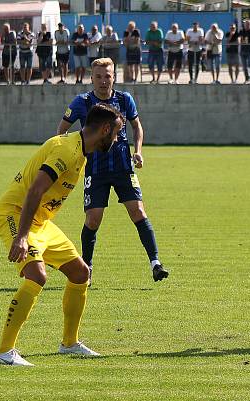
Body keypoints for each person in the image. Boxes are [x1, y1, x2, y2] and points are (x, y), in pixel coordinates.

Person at [0, 103, 123, 366]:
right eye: (116, 133)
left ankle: (69, 343)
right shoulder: (67, 151)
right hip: (15, 215)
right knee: (37, 275)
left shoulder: (80, 150)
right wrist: (21, 237)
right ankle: (4, 352)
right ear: (105, 129)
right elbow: (35, 191)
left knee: (80, 273)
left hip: (40, 222)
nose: (116, 139)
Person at [57, 58, 169, 285]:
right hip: (96, 170)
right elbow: (62, 132)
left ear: (114, 77)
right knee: (93, 219)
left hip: (123, 168)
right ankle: (86, 268)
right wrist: (72, 156)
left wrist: (138, 151)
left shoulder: (125, 99)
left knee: (138, 211)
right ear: (91, 78)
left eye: (107, 76)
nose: (103, 81)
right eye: (98, 76)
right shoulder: (82, 102)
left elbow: (137, 127)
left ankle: (155, 263)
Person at [239, 20, 250, 84]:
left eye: (248, 24)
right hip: (243, 50)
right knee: (244, 66)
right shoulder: (241, 31)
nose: (247, 25)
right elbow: (239, 38)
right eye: (246, 24)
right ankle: (247, 78)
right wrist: (240, 41)